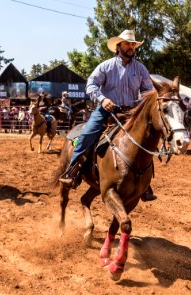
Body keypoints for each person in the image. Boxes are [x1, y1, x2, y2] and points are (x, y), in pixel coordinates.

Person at [59, 29, 157, 201]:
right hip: (107, 110)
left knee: (144, 141)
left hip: (130, 113)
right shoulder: (106, 66)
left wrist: (144, 106)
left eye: (133, 44)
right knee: (87, 134)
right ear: (118, 46)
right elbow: (91, 85)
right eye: (127, 44)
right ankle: (72, 171)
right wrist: (103, 100)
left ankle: (145, 183)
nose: (131, 47)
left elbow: (148, 92)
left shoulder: (140, 69)